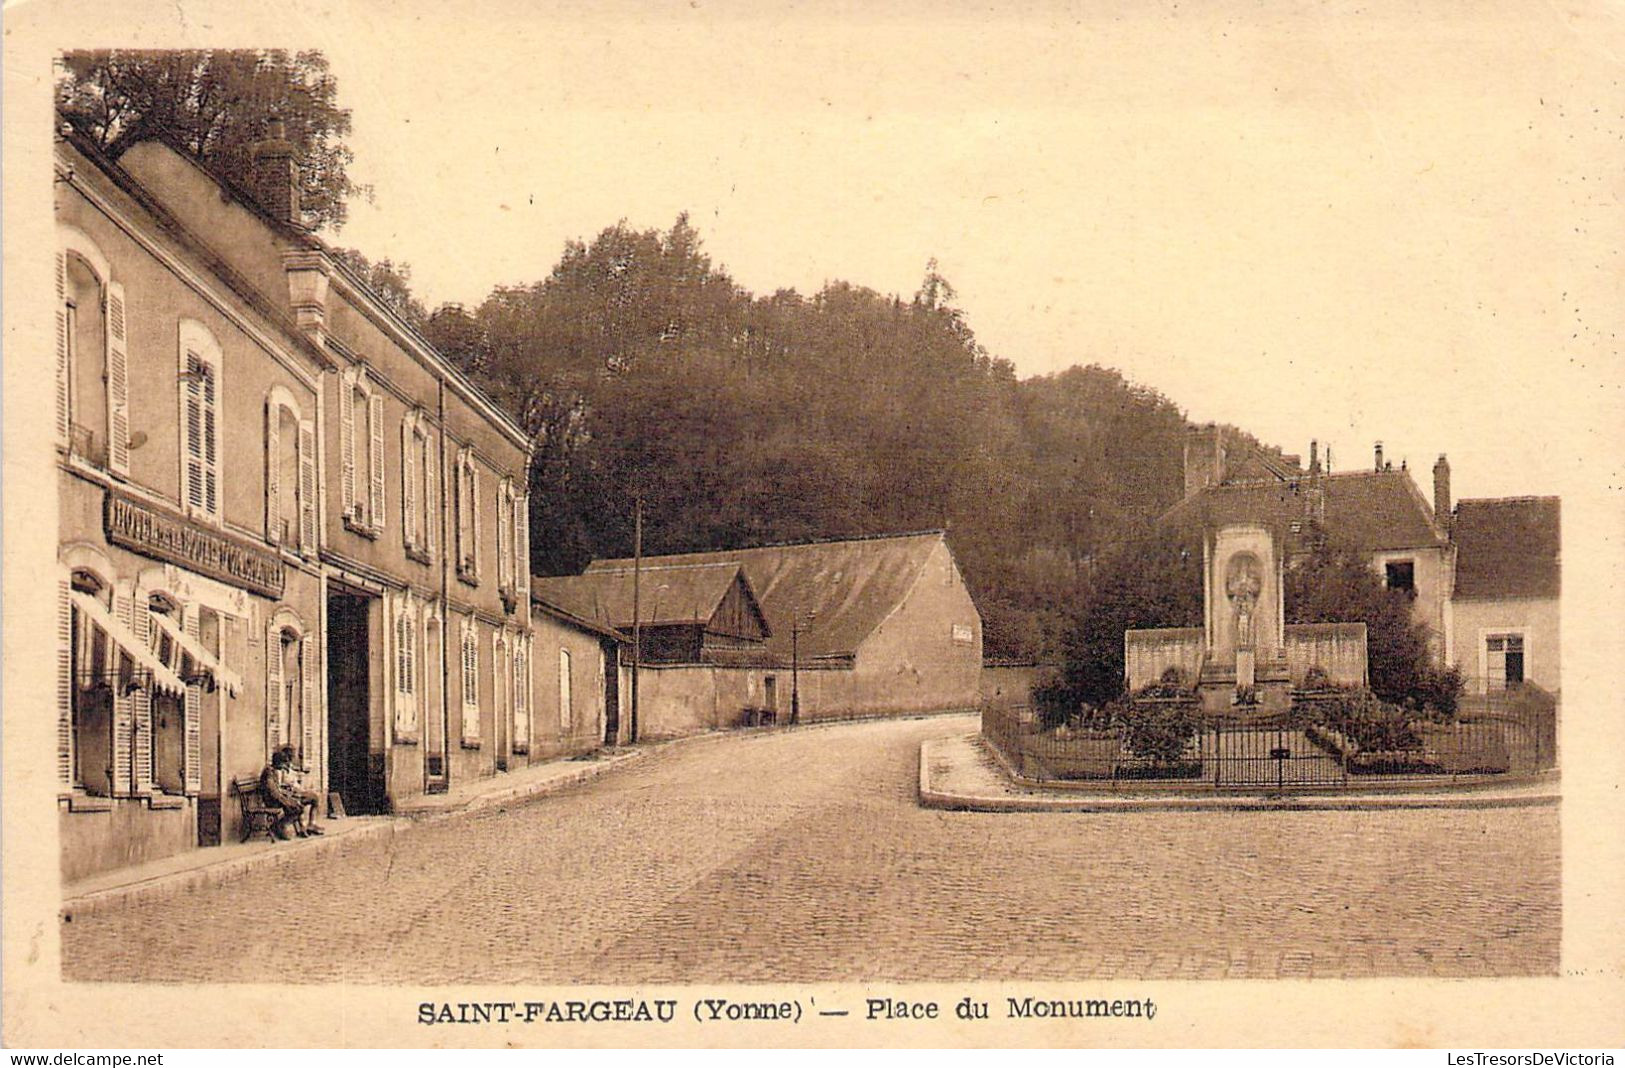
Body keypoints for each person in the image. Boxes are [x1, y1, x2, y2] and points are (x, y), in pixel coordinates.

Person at [260, 746, 323, 839]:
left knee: (297, 805)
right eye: (283, 764)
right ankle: (279, 826)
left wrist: (288, 797)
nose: (283, 767)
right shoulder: (269, 773)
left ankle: (282, 826)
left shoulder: (273, 771)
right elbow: (273, 793)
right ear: (279, 763)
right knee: (296, 806)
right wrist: (287, 801)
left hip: (278, 798)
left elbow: (278, 790)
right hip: (271, 800)